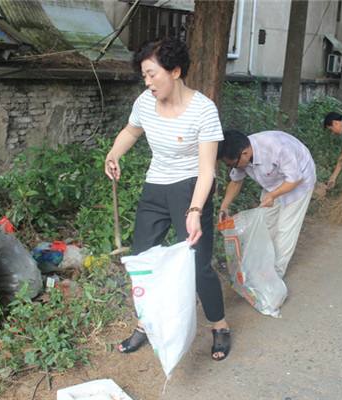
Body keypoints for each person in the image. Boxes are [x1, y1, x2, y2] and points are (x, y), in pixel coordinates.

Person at [105, 37, 231, 361]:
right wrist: (114, 154)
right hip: (155, 188)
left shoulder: (203, 110)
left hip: (191, 188)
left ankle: (219, 325)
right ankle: (145, 324)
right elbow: (132, 131)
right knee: (143, 260)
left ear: (174, 71)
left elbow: (207, 171)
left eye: (151, 74)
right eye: (143, 76)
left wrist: (194, 209)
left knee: (198, 265)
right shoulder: (145, 103)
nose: (146, 83)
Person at [217, 130, 316, 278]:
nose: (233, 168)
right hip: (274, 183)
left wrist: (273, 195)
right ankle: (262, 265)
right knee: (265, 225)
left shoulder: (278, 148)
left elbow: (295, 179)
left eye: (233, 164)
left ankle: (274, 276)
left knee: (285, 229)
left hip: (300, 180)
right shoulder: (240, 156)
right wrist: (224, 207)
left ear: (244, 153)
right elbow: (236, 181)